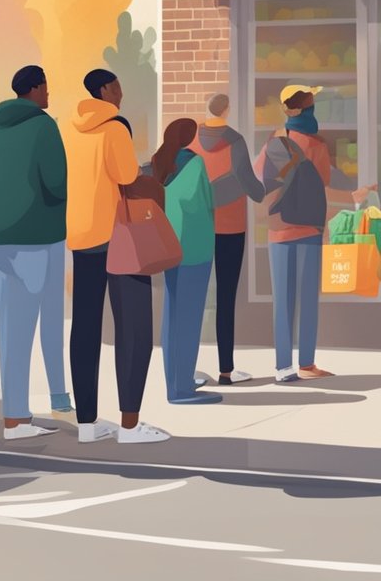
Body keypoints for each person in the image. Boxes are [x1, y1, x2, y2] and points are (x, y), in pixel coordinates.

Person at [64, 69, 168, 444]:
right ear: (105, 89)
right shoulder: (114, 128)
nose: (121, 93)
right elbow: (126, 175)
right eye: (118, 87)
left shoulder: (70, 128)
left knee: (86, 328)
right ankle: (129, 425)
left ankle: (88, 425)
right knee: (134, 328)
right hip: (118, 237)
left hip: (81, 235)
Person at [255, 84, 372, 384]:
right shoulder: (316, 146)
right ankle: (306, 363)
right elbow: (323, 187)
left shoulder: (274, 140)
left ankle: (283, 368)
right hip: (308, 228)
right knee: (307, 299)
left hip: (278, 230)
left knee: (282, 301)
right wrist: (354, 197)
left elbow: (257, 179)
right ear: (307, 109)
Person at [0, 66, 73, 439]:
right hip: (35, 234)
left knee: (9, 325)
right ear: (34, 90)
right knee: (36, 323)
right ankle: (16, 418)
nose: (49, 95)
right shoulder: (43, 126)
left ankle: (55, 397)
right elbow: (56, 182)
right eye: (46, 88)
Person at [187, 93, 264, 386]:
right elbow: (252, 188)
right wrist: (265, 186)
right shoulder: (235, 141)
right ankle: (226, 370)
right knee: (225, 298)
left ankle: (189, 368)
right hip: (230, 227)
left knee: (193, 299)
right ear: (227, 110)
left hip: (198, 227)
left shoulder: (190, 140)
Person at [151, 118, 222, 405]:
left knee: (172, 316)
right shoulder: (194, 164)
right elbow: (201, 203)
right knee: (189, 320)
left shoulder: (157, 162)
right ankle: (181, 389)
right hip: (194, 247)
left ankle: (176, 379)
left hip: (168, 246)